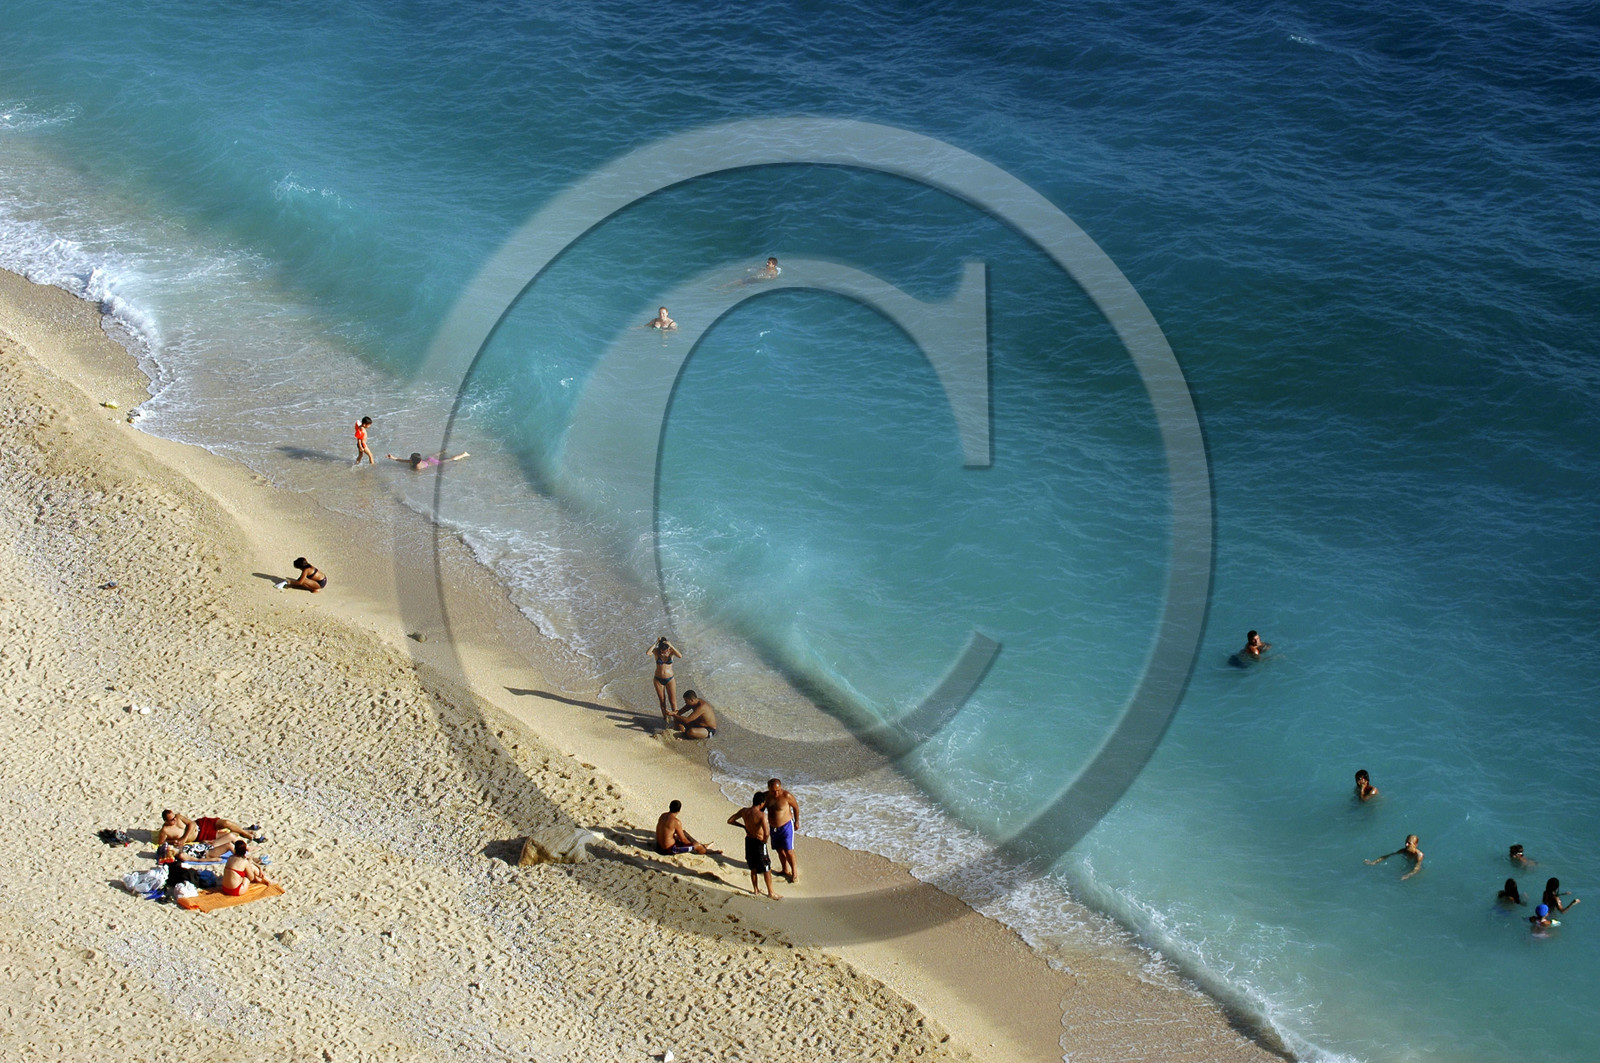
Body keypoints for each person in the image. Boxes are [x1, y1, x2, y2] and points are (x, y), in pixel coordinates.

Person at [728, 791, 780, 898]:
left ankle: (755, 890)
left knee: (753, 867)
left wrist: (743, 826)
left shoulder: (744, 811)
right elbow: (767, 832)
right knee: (766, 868)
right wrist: (764, 842)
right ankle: (771, 892)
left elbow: (730, 820)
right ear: (761, 803)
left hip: (749, 840)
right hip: (759, 842)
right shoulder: (762, 816)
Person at [156, 810, 263, 849]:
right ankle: (243, 831)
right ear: (166, 821)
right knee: (231, 836)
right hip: (201, 836)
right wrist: (173, 841)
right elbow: (161, 842)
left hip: (201, 824)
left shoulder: (178, 817)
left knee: (226, 823)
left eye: (174, 817)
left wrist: (183, 838)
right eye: (172, 820)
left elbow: (192, 824)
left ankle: (246, 833)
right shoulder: (165, 830)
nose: (175, 820)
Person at [764, 778, 800, 883]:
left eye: (778, 790)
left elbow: (796, 807)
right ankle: (785, 869)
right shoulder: (766, 797)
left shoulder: (786, 796)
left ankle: (794, 873)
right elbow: (759, 809)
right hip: (773, 828)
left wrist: (796, 821)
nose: (776, 793)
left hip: (786, 827)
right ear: (769, 789)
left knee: (788, 850)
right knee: (779, 849)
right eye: (773, 791)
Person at [648, 637, 682, 723]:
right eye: (662, 651)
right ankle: (665, 719)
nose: (664, 653)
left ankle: (677, 720)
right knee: (662, 701)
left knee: (673, 702)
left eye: (666, 650)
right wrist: (655, 643)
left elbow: (680, 656)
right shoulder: (656, 652)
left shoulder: (671, 651)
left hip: (670, 679)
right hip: (658, 679)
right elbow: (648, 653)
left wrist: (671, 645)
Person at [386, 450, 470, 470]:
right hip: (427, 460)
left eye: (410, 458)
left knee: (451, 459)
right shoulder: (414, 462)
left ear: (413, 461)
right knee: (433, 455)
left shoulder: (417, 468)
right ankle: (442, 451)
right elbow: (401, 460)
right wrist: (392, 457)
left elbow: (402, 461)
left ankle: (464, 454)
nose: (409, 459)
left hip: (434, 463)